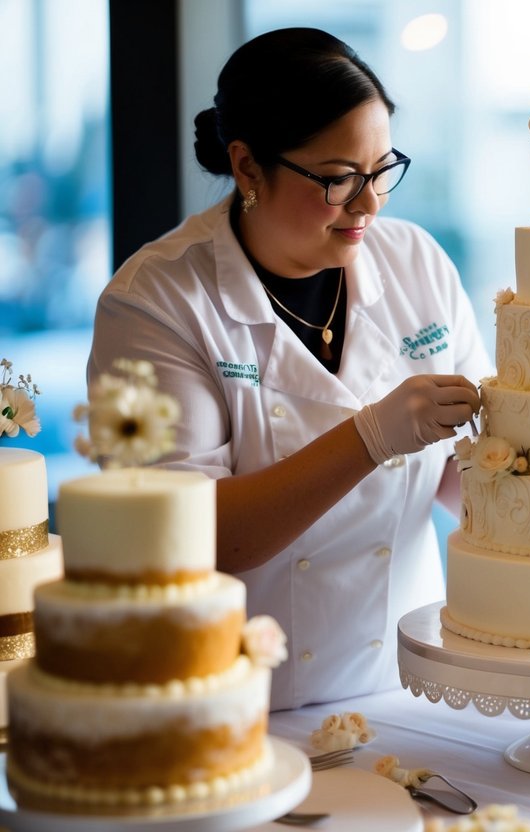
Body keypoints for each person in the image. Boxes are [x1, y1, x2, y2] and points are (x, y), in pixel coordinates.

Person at [87, 28, 491, 710]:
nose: (369, 204)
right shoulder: (156, 299)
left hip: (413, 687)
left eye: (382, 170)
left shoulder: (416, 261)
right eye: (338, 179)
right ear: (247, 167)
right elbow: (192, 535)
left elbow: (467, 470)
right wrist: (371, 437)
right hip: (240, 703)